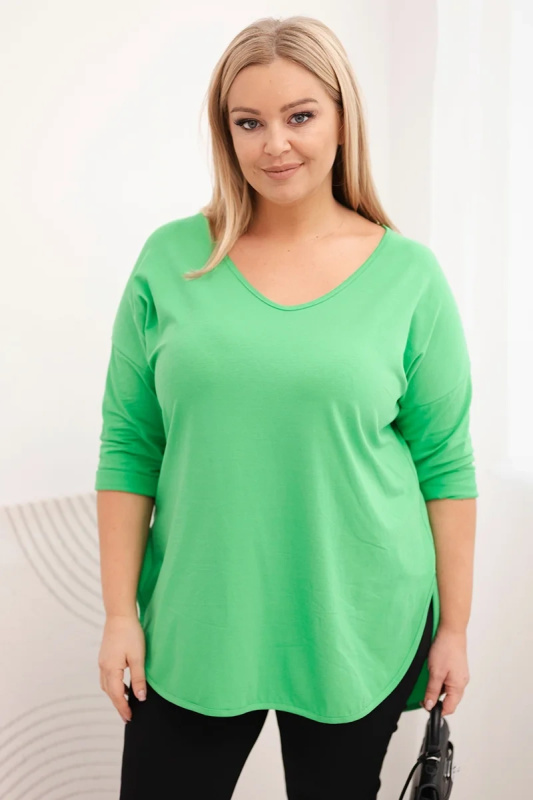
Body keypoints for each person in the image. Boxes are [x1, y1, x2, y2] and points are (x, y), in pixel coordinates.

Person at [95, 15, 478, 800]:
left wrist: (454, 629)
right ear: (225, 132)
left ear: (341, 119)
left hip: (359, 618)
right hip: (197, 620)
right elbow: (130, 445)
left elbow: (445, 464)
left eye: (299, 116)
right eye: (249, 122)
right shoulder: (170, 261)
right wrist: (118, 614)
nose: (275, 144)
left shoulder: (408, 276)